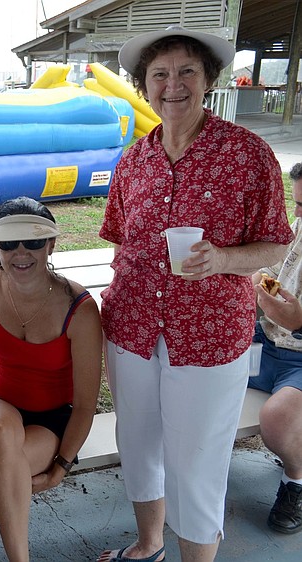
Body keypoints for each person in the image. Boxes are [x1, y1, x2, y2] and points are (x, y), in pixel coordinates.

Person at [98, 26, 293, 562]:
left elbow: (276, 243)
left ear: (208, 80)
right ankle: (149, 543)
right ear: (145, 86)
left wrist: (224, 259)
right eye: (159, 74)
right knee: (137, 443)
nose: (173, 84)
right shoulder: (133, 161)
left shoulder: (248, 155)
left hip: (208, 337)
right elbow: (119, 239)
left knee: (197, 461)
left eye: (187, 71)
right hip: (133, 330)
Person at [0, 197, 102, 562]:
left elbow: (84, 405)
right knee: (0, 430)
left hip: (51, 420)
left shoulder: (78, 308)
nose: (21, 252)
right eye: (8, 243)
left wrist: (61, 468)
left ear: (50, 244)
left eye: (33, 241)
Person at [250, 162, 302, 534]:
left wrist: (300, 324)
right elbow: (269, 265)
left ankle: (295, 481)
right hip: (264, 342)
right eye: (296, 203)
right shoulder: (297, 228)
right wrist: (256, 275)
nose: (297, 214)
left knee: (277, 420)